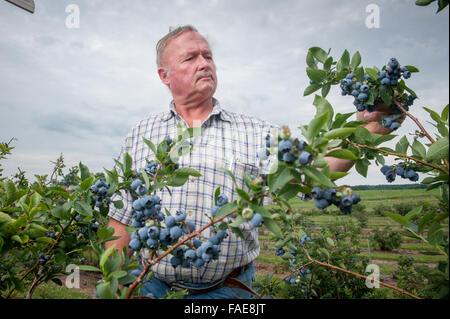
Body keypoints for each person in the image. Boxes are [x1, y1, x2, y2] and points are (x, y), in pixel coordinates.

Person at [105, 25, 403, 299]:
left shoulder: (254, 132)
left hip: (228, 291)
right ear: (165, 75)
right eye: (190, 58)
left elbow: (314, 175)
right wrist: (114, 280)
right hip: (152, 285)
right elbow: (123, 215)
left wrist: (368, 131)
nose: (205, 63)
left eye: (208, 55)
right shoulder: (141, 133)